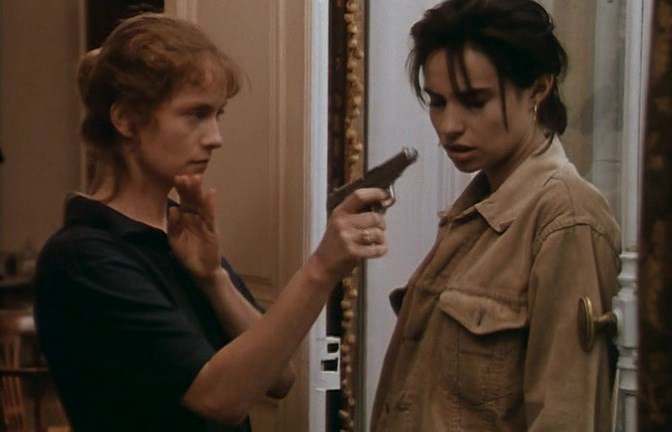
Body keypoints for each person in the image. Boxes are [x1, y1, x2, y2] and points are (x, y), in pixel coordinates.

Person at [33, 12, 389, 432]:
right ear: (126, 118)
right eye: (195, 114)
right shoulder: (83, 256)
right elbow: (221, 399)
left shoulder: (177, 230)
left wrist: (213, 279)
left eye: (218, 114)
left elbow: (279, 377)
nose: (215, 137)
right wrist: (322, 267)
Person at [370, 0, 621, 431]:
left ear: (538, 90)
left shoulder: (567, 218)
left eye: (475, 101)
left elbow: (567, 416)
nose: (449, 125)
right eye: (438, 101)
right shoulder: (475, 212)